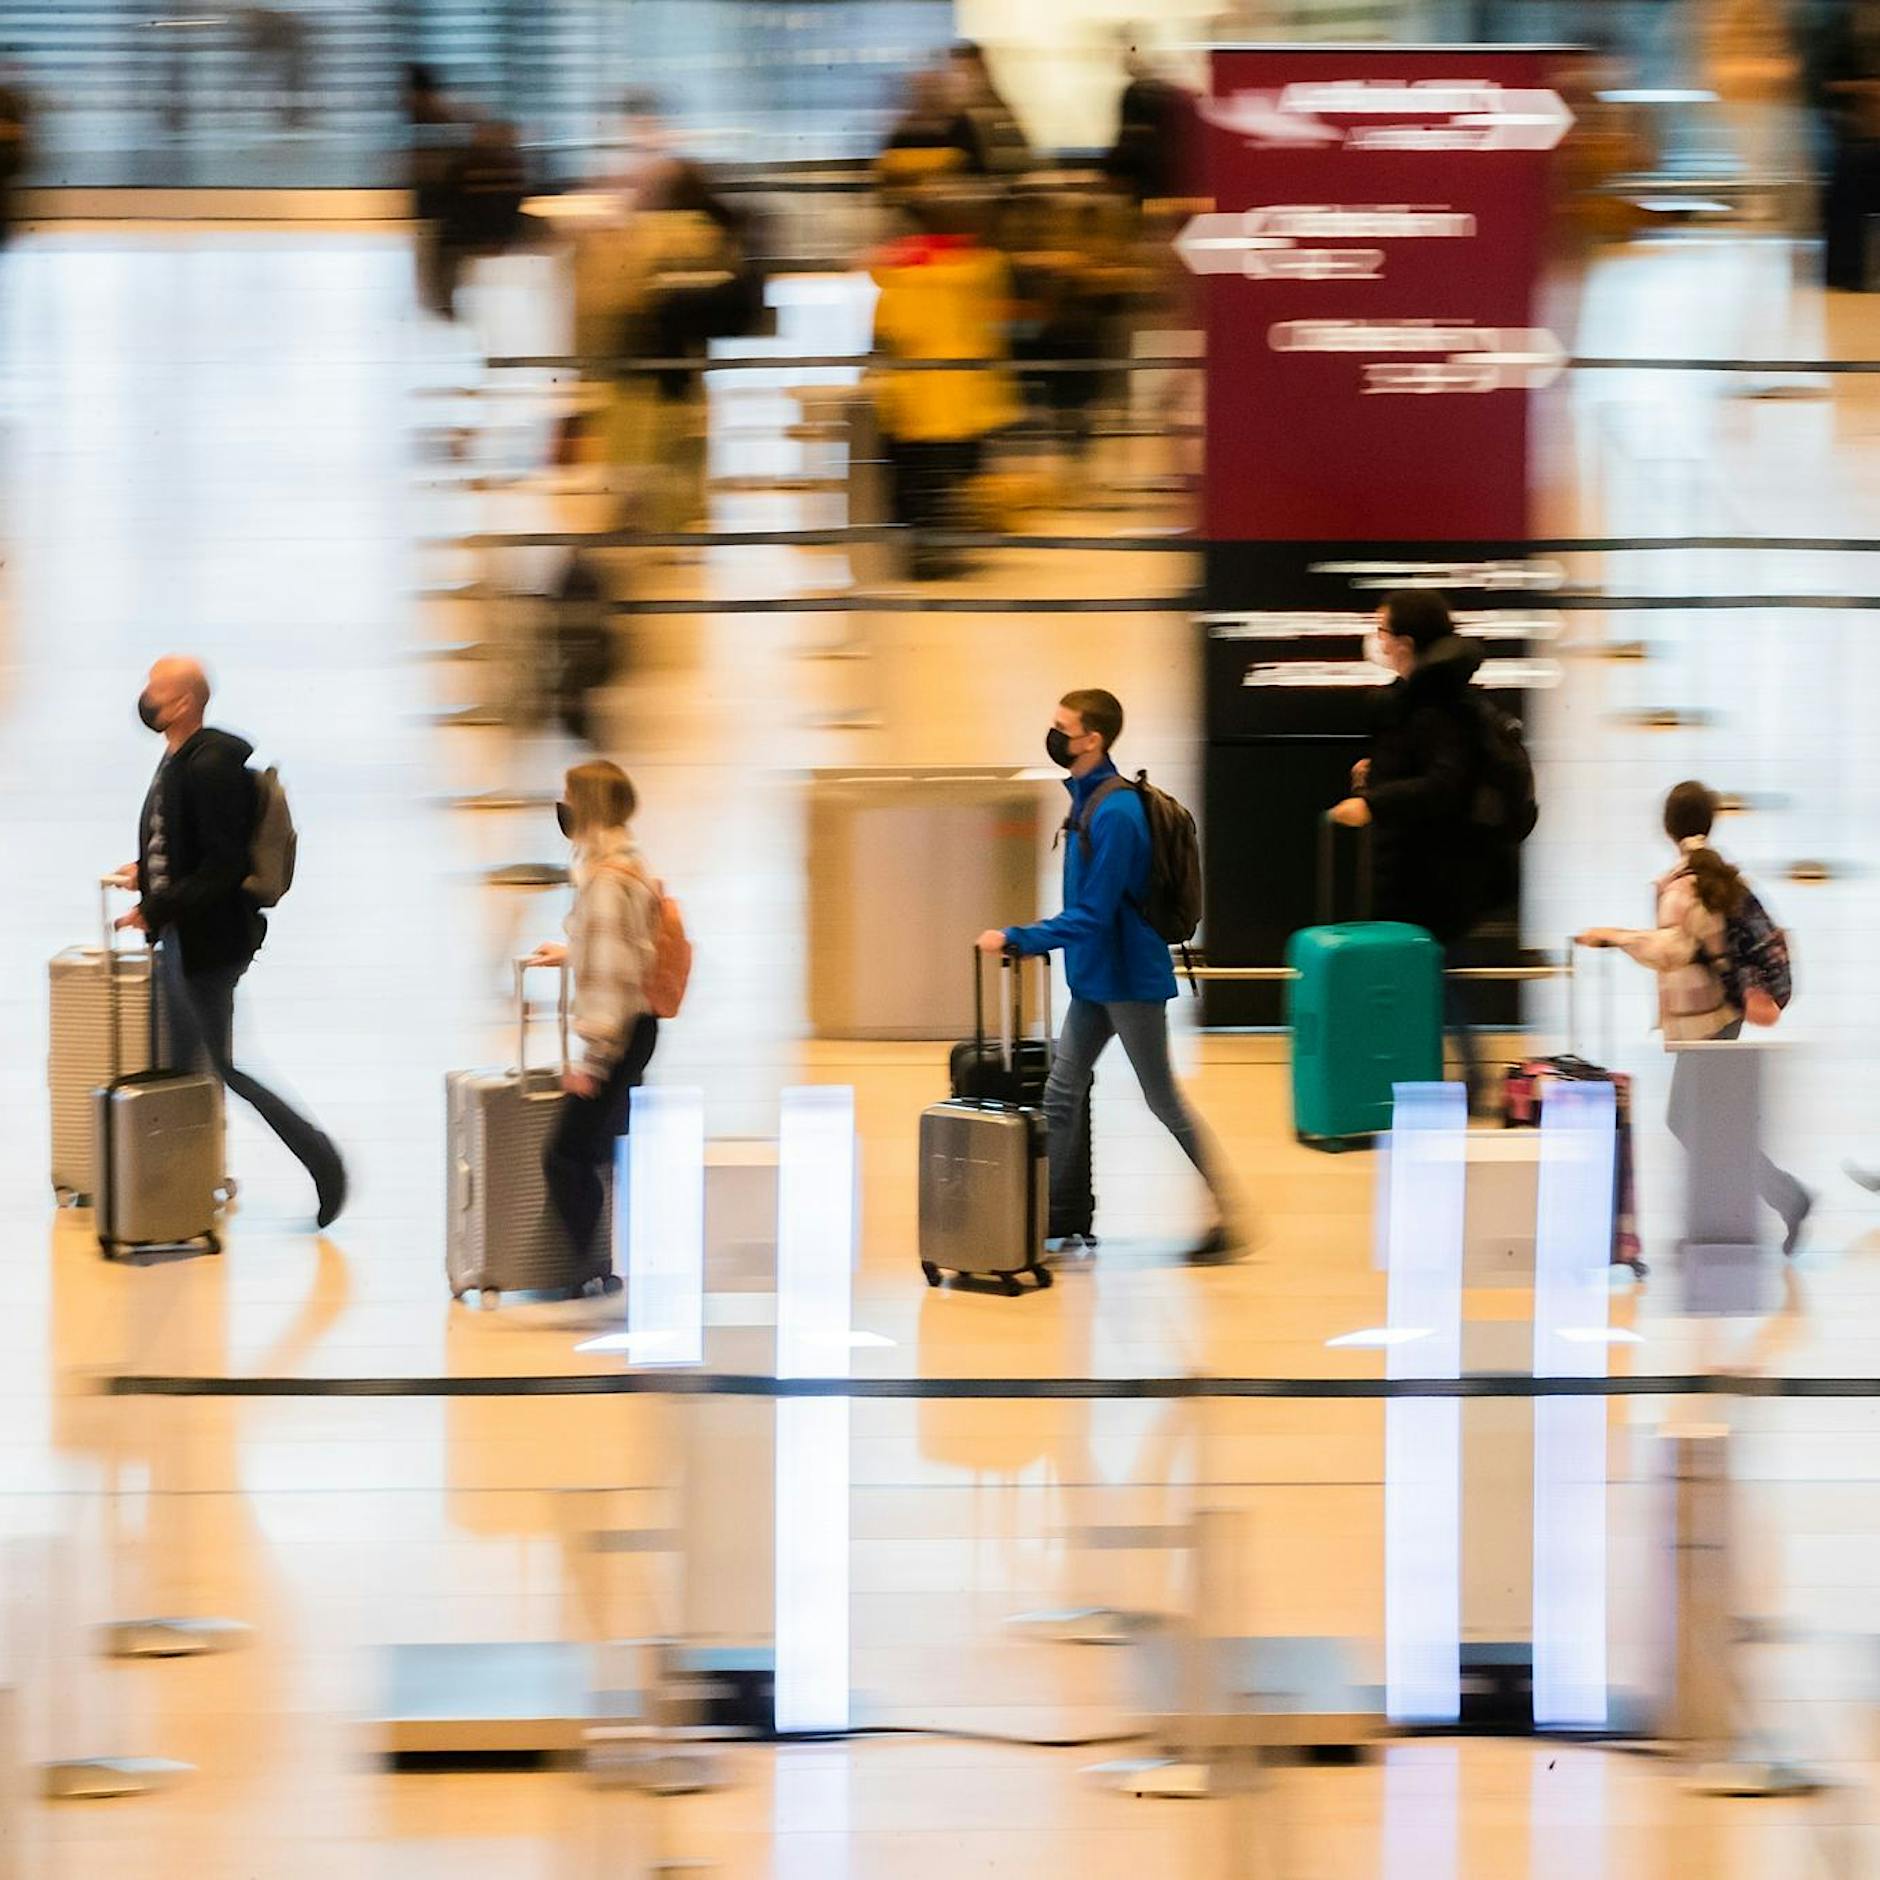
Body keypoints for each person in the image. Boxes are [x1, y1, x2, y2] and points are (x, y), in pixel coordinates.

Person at [975, 688, 1243, 1265]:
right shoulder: (1089, 799)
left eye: (1061, 727)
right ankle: (1049, 1212)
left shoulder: (1116, 812)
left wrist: (1021, 938)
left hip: (1128, 980)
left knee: (1162, 1099)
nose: (1053, 736)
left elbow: (1094, 913)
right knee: (1061, 1090)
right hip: (1097, 978)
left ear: (1091, 739)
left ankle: (1230, 1216)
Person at [115, 657, 346, 1229]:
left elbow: (222, 867)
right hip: (186, 937)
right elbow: (183, 844)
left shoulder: (209, 766)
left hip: (208, 944)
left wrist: (155, 907)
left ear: (185, 703)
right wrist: (145, 874)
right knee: (185, 1065)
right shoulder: (182, 759)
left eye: (157, 690)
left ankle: (322, 1161)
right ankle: (187, 1187)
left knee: (221, 1066)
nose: (146, 697)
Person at [1578, 780, 1812, 1257]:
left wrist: (1614, 937)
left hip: (1707, 1020)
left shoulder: (1686, 884)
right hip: (1719, 1017)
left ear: (1667, 827)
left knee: (1688, 1120)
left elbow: (1673, 948)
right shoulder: (1713, 875)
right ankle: (1743, 1213)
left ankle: (1780, 1200)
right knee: (1700, 1121)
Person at [1329, 590, 1502, 1110]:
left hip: (1433, 873)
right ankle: (1450, 1081)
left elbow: (1444, 786)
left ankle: (1460, 1083)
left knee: (1434, 979)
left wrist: (1375, 802)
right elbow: (1422, 769)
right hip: (1420, 868)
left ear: (1404, 642)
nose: (1376, 640)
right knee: (1433, 980)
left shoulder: (1436, 704)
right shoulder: (1417, 697)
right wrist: (1375, 773)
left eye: (1382, 631)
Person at [527, 760, 661, 1272]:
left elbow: (610, 978)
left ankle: (588, 1272)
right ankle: (615, 1262)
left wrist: (594, 1062)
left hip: (618, 1035)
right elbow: (628, 947)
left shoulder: (605, 881)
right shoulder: (629, 861)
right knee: (607, 1147)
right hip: (642, 1027)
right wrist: (572, 951)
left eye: (568, 798)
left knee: (565, 1156)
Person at [868, 186, 1020, 578]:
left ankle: (920, 552)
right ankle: (943, 548)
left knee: (914, 479)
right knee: (953, 474)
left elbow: (893, 328)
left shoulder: (903, 269)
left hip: (916, 395)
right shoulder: (985, 266)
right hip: (968, 393)